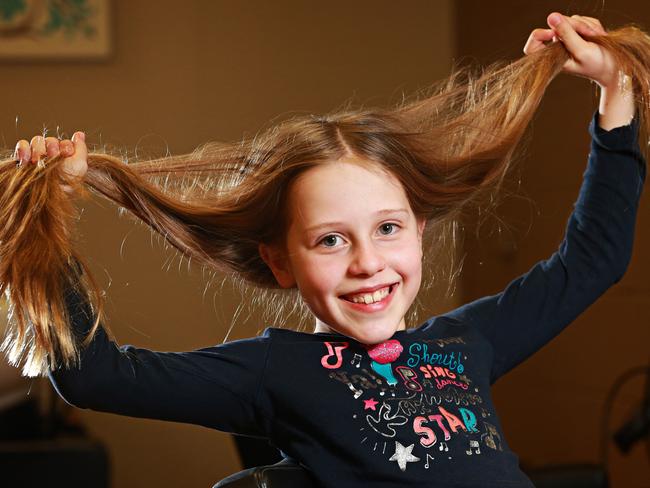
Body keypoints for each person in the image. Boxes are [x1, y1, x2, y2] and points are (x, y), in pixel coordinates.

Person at [2, 12, 648, 488]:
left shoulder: (468, 341)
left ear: (419, 231)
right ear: (281, 261)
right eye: (331, 240)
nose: (368, 262)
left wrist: (615, 97)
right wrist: (43, 222)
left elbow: (592, 262)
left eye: (388, 229)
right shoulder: (274, 372)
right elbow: (97, 377)